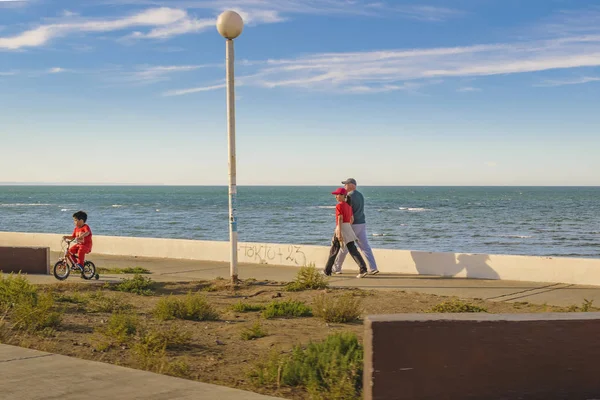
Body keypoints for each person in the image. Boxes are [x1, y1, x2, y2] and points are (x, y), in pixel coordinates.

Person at [333, 178, 379, 275]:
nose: (344, 186)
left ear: (351, 185)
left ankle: (337, 268)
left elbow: (347, 211)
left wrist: (342, 226)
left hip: (352, 224)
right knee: (365, 246)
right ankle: (373, 267)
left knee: (344, 247)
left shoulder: (349, 196)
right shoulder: (360, 195)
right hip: (361, 223)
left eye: (346, 184)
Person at [323, 187, 369, 278]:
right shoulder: (348, 206)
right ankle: (363, 269)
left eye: (337, 195)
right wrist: (347, 227)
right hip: (348, 227)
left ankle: (327, 271)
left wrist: (339, 232)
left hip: (341, 228)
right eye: (335, 195)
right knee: (353, 250)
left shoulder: (339, 206)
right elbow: (352, 219)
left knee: (334, 250)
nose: (336, 196)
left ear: (343, 196)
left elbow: (340, 219)